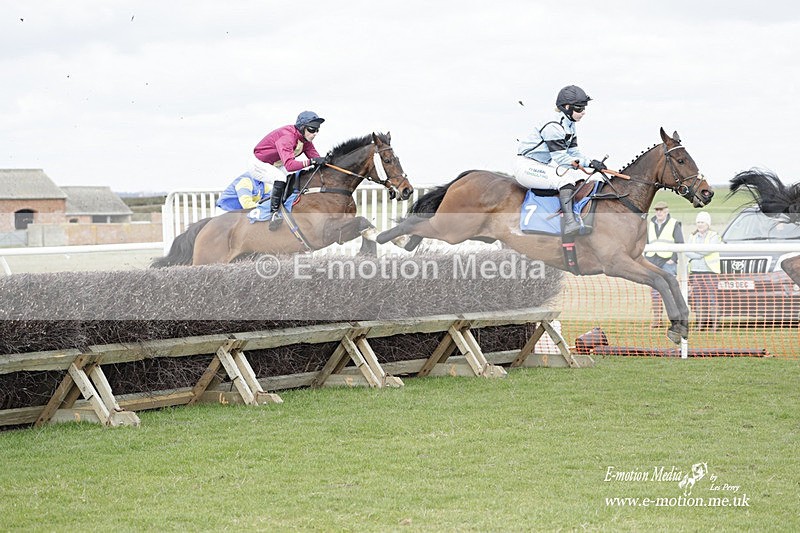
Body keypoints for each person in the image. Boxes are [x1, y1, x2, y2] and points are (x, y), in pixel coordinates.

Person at [514, 85, 608, 235]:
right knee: (565, 181)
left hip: (541, 165)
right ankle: (570, 223)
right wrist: (586, 164)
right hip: (527, 166)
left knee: (582, 178)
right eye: (579, 108)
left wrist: (591, 162)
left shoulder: (569, 124)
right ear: (566, 107)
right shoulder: (553, 125)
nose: (583, 112)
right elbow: (561, 159)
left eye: (584, 108)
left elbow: (573, 152)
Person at [252, 110, 327, 230]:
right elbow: (290, 165)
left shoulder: (305, 140)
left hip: (276, 164)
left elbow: (316, 158)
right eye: (312, 129)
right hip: (259, 163)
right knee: (281, 178)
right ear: (302, 128)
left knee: (293, 179)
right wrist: (310, 162)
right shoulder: (287, 137)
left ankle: (288, 208)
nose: (315, 133)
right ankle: (274, 214)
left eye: (317, 130)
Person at [645, 201, 684, 327]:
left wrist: (673, 259)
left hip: (668, 262)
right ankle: (657, 320)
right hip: (652, 261)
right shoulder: (650, 224)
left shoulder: (674, 224)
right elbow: (645, 242)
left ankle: (675, 320)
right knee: (655, 292)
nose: (659, 212)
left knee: (670, 292)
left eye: (661, 210)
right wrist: (646, 258)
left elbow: (679, 243)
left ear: (667, 210)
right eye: (657, 210)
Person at [686, 211, 721, 331]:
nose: (700, 224)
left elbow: (708, 250)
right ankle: (700, 325)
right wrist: (698, 254)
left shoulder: (714, 236)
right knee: (699, 299)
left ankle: (715, 326)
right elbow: (687, 251)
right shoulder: (692, 236)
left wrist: (695, 252)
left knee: (712, 299)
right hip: (696, 272)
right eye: (698, 222)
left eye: (702, 222)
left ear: (708, 223)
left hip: (710, 272)